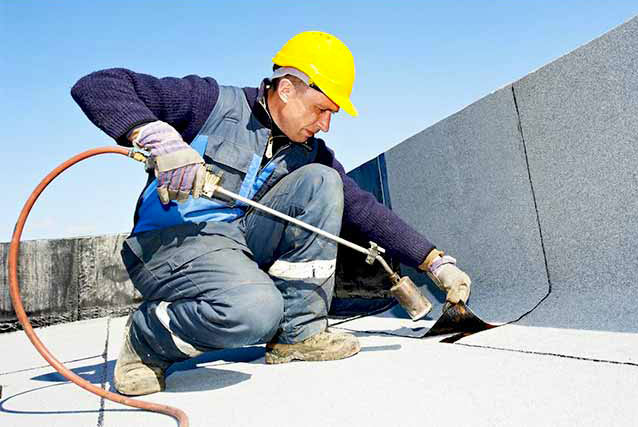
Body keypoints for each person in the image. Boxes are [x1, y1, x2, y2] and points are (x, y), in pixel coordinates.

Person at [71, 31, 471, 397]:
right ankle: (146, 337)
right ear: (286, 88)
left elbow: (364, 210)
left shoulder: (308, 151)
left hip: (237, 242)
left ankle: (298, 334)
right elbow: (97, 85)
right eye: (321, 109)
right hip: (173, 242)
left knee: (322, 182)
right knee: (255, 312)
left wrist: (435, 263)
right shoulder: (209, 102)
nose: (326, 124)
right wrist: (157, 137)